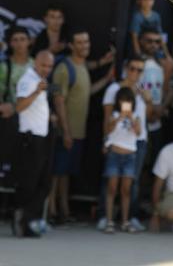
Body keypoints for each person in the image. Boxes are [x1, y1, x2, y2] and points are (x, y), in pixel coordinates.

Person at [49, 28, 113, 225]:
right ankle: (51, 212)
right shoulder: (63, 68)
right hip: (65, 133)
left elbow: (85, 92)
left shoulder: (82, 65)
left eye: (86, 42)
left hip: (78, 132)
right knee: (55, 174)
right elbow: (59, 101)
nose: (85, 46)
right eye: (80, 43)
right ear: (71, 46)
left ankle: (64, 211)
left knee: (65, 173)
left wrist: (105, 79)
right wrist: (66, 132)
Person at [98, 55, 153, 232]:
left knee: (132, 182)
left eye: (139, 70)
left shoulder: (142, 90)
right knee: (110, 181)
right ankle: (104, 217)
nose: (135, 73)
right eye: (132, 68)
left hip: (138, 140)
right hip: (116, 141)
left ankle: (129, 218)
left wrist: (148, 100)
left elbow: (149, 117)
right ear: (125, 69)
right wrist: (105, 140)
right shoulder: (114, 89)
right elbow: (107, 117)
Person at [12, 51, 55, 237]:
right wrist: (37, 91)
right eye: (43, 65)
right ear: (35, 63)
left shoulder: (40, 81)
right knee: (29, 184)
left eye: (49, 66)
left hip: (42, 138)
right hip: (30, 140)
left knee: (44, 183)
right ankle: (22, 220)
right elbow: (19, 106)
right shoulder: (28, 80)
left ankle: (28, 218)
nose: (46, 69)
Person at [102, 87, 142, 234]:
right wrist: (120, 117)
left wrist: (130, 117)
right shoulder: (114, 114)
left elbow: (138, 132)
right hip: (115, 154)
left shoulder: (136, 116)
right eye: (123, 100)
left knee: (126, 190)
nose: (126, 103)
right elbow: (109, 130)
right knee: (112, 188)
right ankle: (109, 220)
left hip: (129, 156)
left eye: (129, 101)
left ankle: (125, 221)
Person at [0, 27, 34, 184]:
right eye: (15, 40)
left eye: (23, 39)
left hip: (33, 122)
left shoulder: (36, 65)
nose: (20, 43)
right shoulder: (4, 66)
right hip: (10, 124)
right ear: (10, 43)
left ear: (29, 41)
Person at [138, 28, 172, 159]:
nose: (154, 44)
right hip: (140, 121)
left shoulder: (162, 65)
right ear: (141, 41)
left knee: (154, 162)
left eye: (157, 42)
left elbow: (170, 91)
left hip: (157, 121)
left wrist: (162, 108)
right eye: (149, 41)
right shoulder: (135, 64)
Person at [129, 0, 173, 80]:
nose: (147, 3)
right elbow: (134, 37)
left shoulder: (156, 16)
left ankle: (164, 89)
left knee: (170, 64)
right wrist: (139, 55)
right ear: (139, 1)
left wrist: (167, 55)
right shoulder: (137, 17)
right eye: (145, 0)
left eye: (150, 0)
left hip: (155, 51)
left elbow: (160, 37)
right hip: (143, 51)